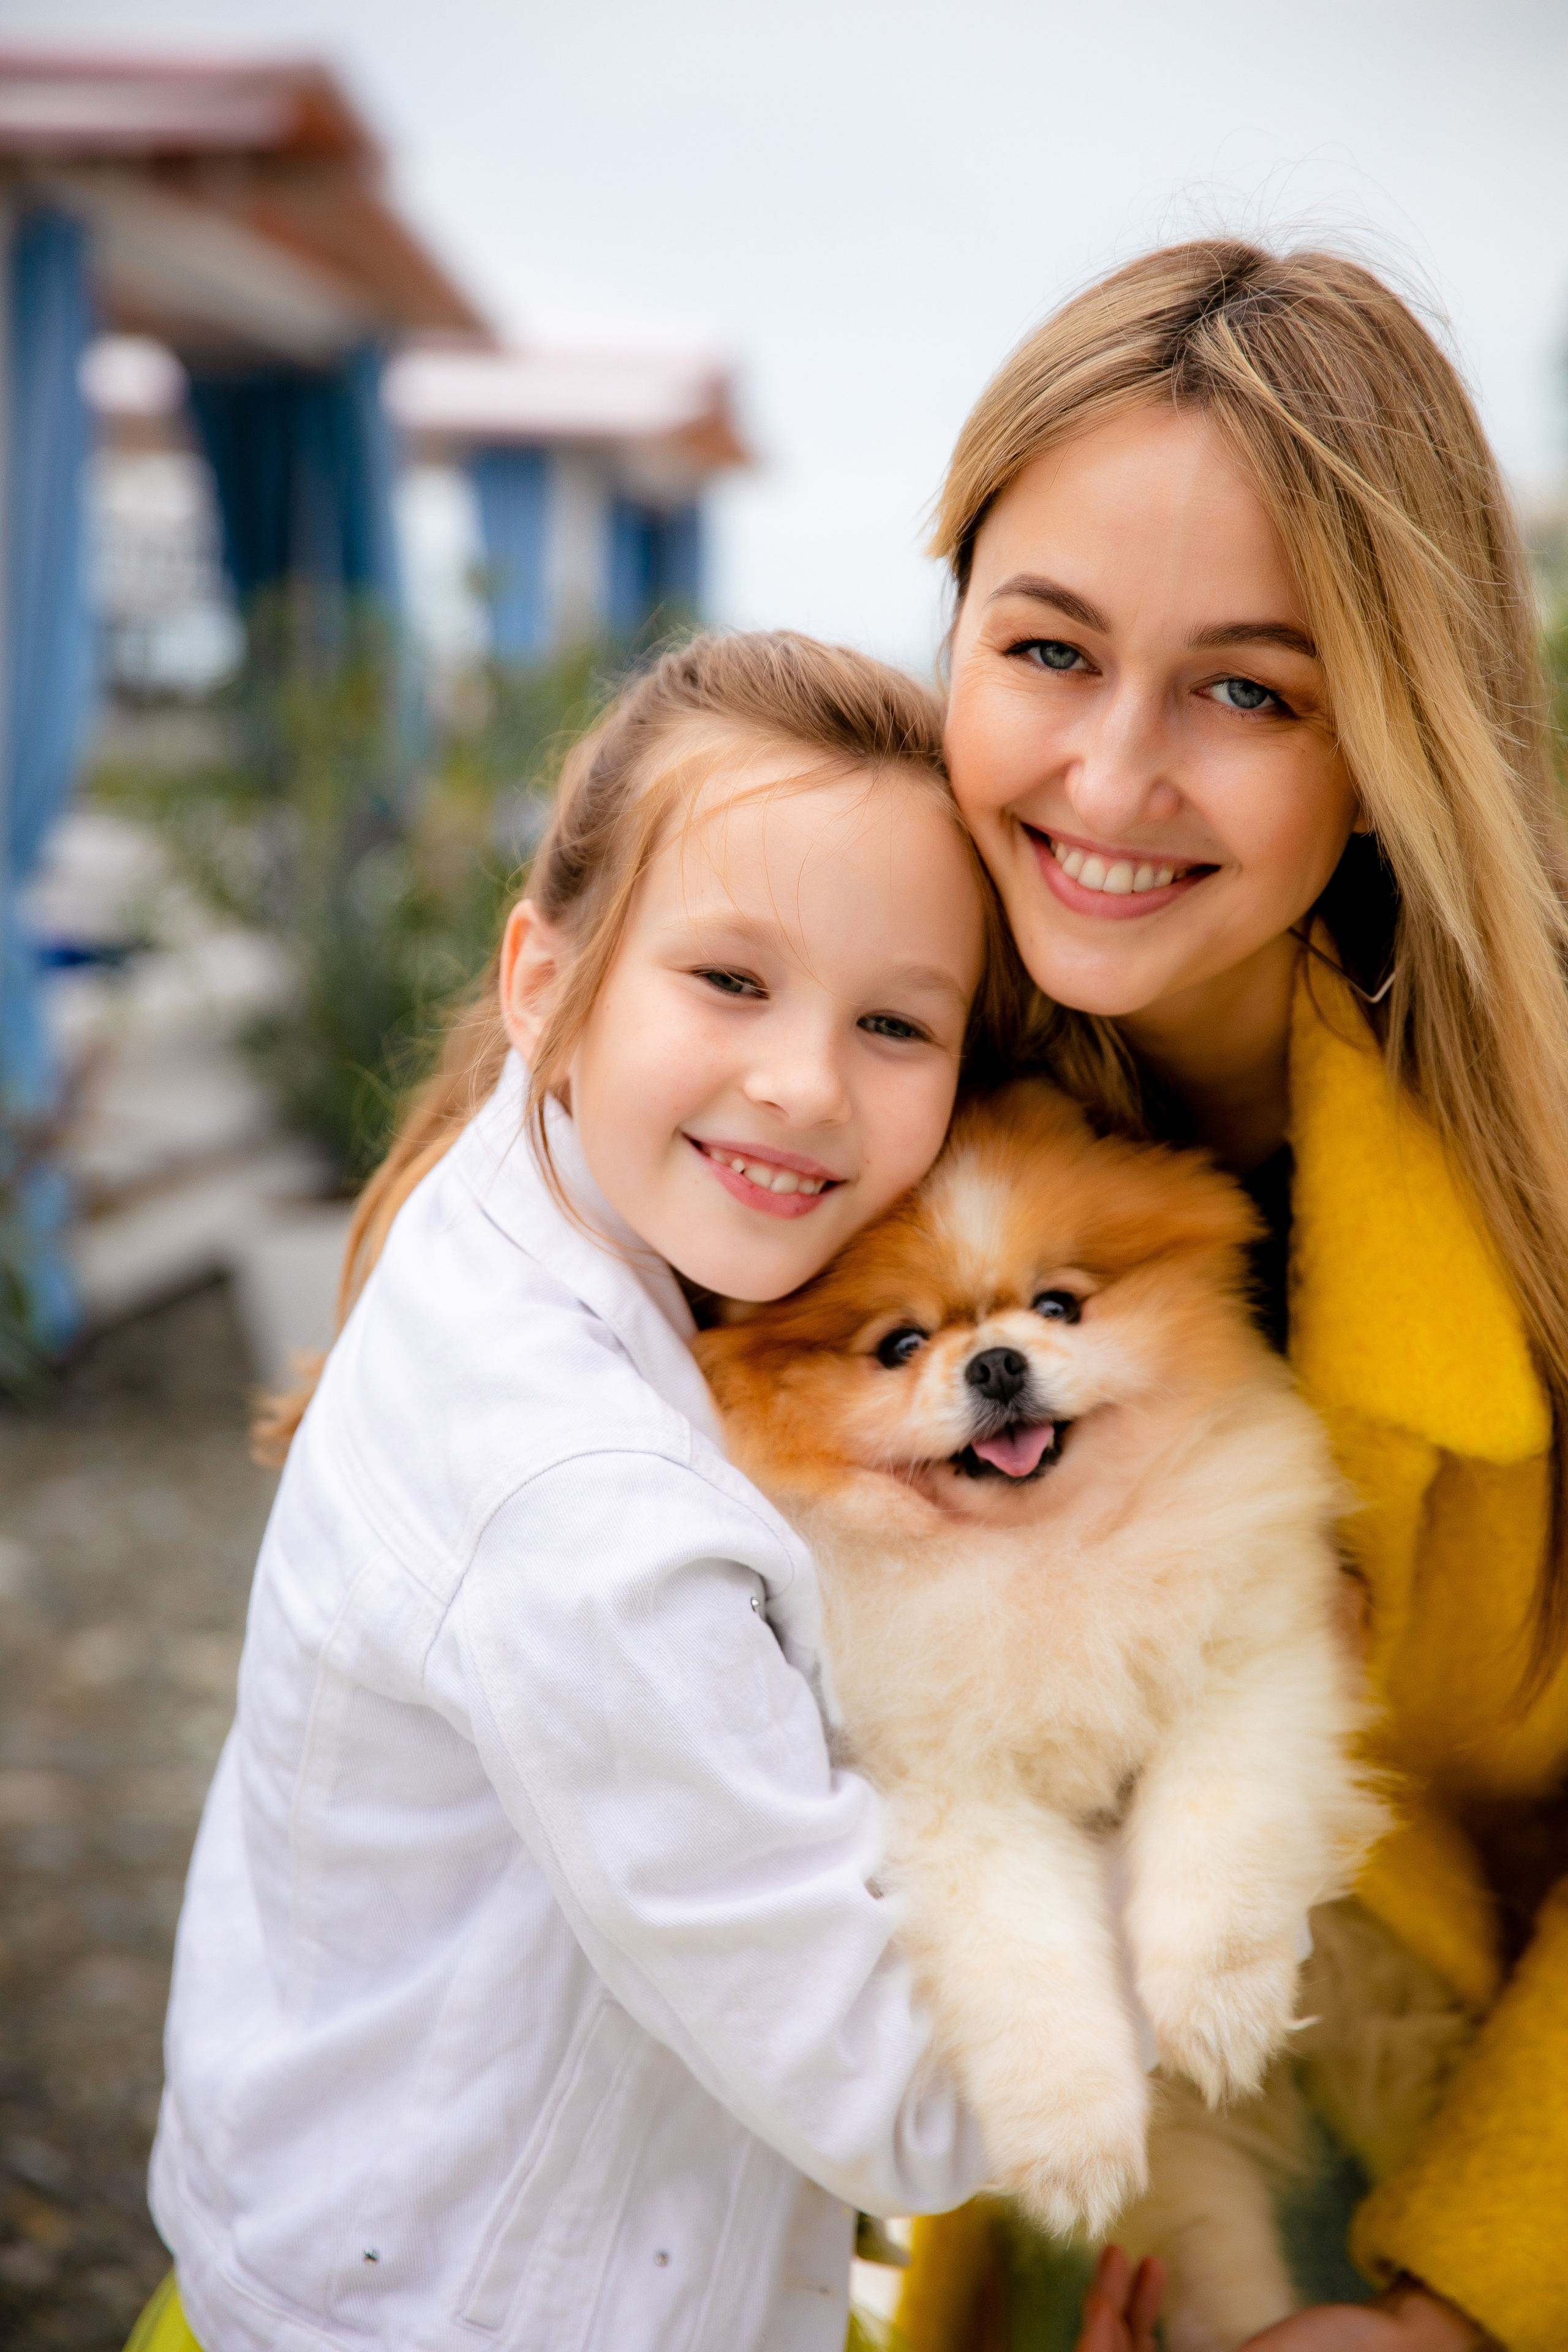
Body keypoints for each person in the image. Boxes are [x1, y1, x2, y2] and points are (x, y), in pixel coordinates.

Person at [131, 633, 1022, 2352]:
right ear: (547, 979)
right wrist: (1215, 1806)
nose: (805, 1081)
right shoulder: (591, 1515)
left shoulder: (533, 1191)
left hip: (324, 2263)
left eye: (896, 1022)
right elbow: (909, 2090)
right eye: (732, 979)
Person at [896, 238, 1568, 2352]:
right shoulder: (825, 1070)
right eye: (1049, 649)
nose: (1111, 780)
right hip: (982, 2163)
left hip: (1461, 2163)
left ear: (1389, 738)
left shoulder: (1537, 1177)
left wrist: (1454, 2308)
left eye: (1249, 691)